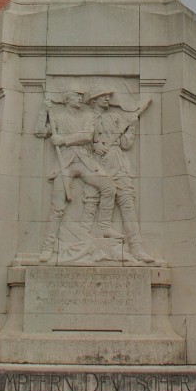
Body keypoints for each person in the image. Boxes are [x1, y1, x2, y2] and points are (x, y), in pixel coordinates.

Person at [35, 90, 121, 262]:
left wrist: (63, 140)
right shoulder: (57, 118)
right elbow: (39, 132)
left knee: (109, 187)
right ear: (67, 99)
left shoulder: (87, 116)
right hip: (64, 163)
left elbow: (87, 136)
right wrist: (43, 111)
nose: (80, 98)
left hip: (84, 161)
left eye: (81, 95)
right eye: (76, 95)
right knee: (57, 207)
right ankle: (48, 247)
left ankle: (103, 226)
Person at [87, 87, 157, 263]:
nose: (107, 98)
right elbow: (78, 143)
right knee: (90, 206)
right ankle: (90, 248)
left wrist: (132, 127)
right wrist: (93, 145)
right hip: (97, 166)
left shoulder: (115, 118)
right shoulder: (86, 119)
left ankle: (137, 247)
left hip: (119, 165)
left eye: (108, 96)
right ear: (92, 101)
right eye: (102, 96)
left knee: (128, 206)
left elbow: (126, 144)